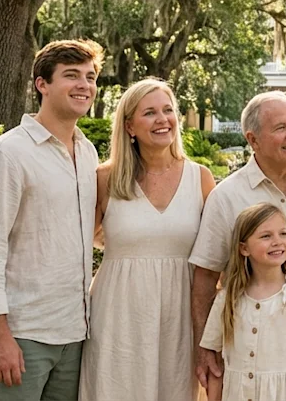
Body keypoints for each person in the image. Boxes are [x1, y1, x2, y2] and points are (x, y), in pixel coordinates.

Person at [0, 39, 104, 400]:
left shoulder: (87, 153)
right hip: (19, 334)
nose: (84, 85)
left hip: (74, 333)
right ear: (42, 84)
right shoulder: (7, 155)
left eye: (90, 77)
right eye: (71, 75)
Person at [190, 91, 286, 394]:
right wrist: (205, 348)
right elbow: (206, 278)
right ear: (253, 139)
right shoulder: (227, 197)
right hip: (256, 359)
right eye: (280, 128)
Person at [79, 78, 216, 400]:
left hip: (180, 316)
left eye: (168, 110)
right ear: (129, 126)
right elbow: (75, 246)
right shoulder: (103, 179)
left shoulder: (201, 178)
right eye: (150, 113)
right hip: (118, 314)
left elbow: (216, 260)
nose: (162, 119)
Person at [201, 203, 286, 401]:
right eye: (266, 236)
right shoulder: (227, 299)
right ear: (244, 248)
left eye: (283, 233)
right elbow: (217, 366)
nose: (277, 241)